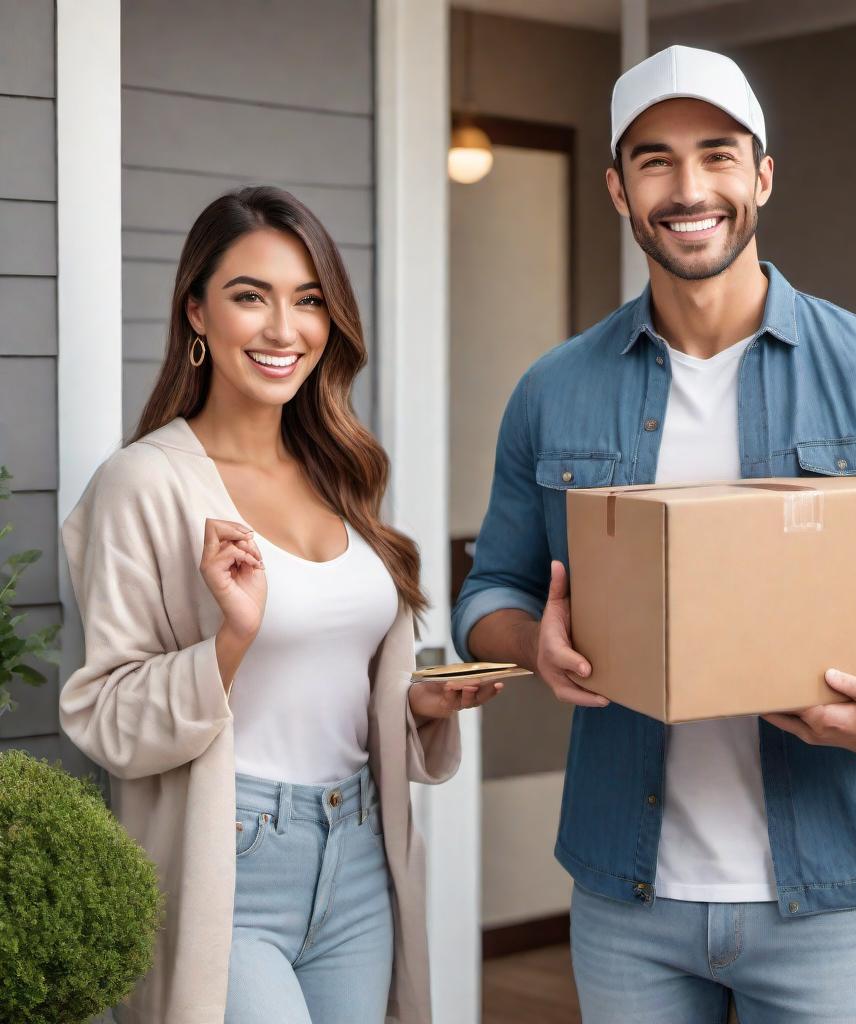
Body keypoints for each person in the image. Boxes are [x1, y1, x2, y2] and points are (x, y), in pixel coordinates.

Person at [452, 45, 856, 1023]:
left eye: (715, 153)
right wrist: (531, 645)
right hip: (627, 902)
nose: (687, 185)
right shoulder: (553, 391)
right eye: (655, 160)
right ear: (619, 189)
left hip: (825, 896)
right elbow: (487, 593)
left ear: (760, 175)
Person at [59, 185, 499, 1024]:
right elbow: (105, 717)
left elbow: (327, 684)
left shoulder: (341, 473)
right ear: (195, 311)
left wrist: (417, 704)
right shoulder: (144, 484)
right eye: (248, 296)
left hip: (362, 851)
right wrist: (232, 638)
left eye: (308, 301)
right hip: (230, 860)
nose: (282, 329)